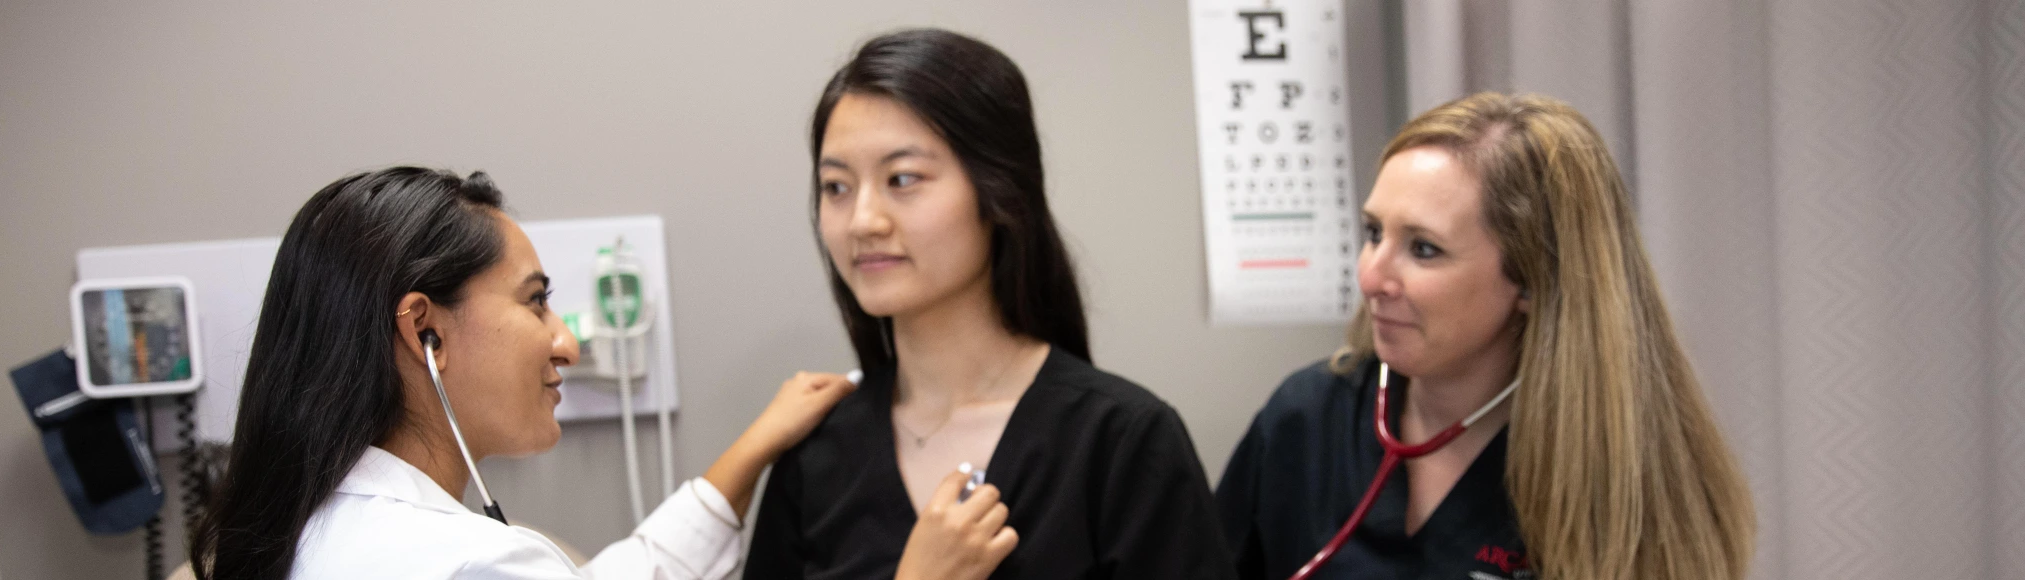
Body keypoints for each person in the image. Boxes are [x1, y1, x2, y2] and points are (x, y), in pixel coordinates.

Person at [186, 167, 1016, 579]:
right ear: (423, 329)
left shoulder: (305, 532)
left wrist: (747, 454)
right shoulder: (460, 563)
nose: (567, 343)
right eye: (536, 301)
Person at [744, 29, 1234, 580]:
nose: (862, 221)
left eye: (902, 179)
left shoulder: (1121, 441)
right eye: (836, 187)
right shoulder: (817, 456)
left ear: (999, 191)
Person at [1214, 92, 1756, 580]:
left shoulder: (1620, 477)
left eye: (1423, 248)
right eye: (1374, 233)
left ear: (1532, 280)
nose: (1371, 277)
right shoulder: (1305, 420)